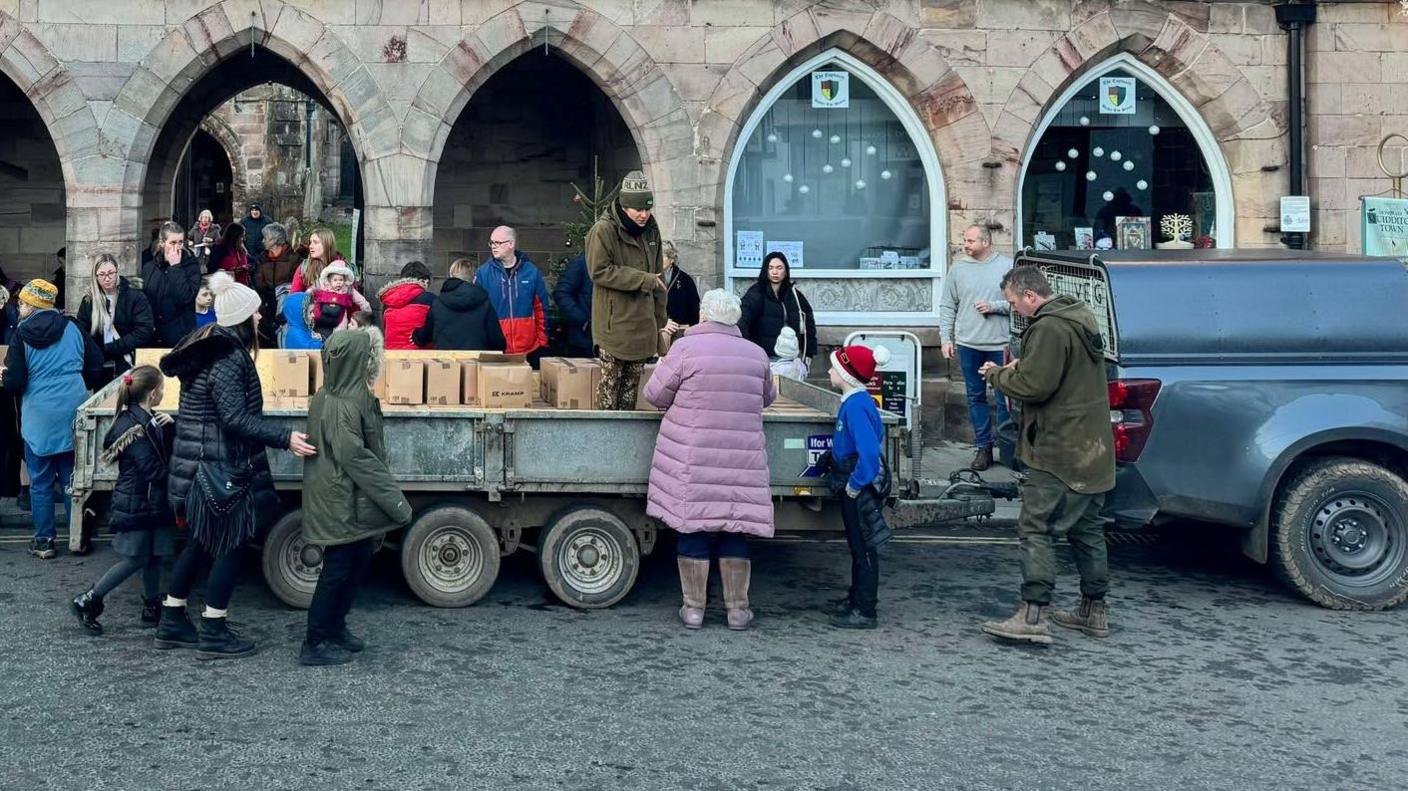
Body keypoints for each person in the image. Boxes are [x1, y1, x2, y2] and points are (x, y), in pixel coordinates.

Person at [155, 271, 317, 660]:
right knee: (230, 545)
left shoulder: (210, 348)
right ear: (242, 319)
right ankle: (213, 627)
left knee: (199, 543)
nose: (261, 319)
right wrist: (285, 437)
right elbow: (233, 419)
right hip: (219, 468)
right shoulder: (228, 358)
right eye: (256, 314)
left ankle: (172, 620)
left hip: (199, 465)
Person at [979, 266, 1116, 645]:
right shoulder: (1079, 317)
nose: (1015, 311)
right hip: (1092, 448)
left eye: (1013, 303)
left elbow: (1034, 387)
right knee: (1087, 530)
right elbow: (1062, 373)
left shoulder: (1049, 327)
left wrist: (996, 375)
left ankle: (1033, 614)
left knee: (1035, 528)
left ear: (1029, 296)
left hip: (1059, 450)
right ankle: (1094, 611)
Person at [644, 289, 775, 631]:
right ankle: (737, 611)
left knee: (693, 526)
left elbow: (655, 395)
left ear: (703, 315)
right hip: (740, 459)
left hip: (693, 457)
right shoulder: (756, 354)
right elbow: (767, 397)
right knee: (735, 528)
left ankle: (693, 610)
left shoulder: (684, 349)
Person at [299, 326, 412, 665]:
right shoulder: (343, 404)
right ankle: (315, 642)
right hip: (340, 498)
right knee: (337, 567)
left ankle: (335, 628)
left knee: (358, 558)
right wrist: (395, 501)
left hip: (346, 495)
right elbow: (356, 458)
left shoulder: (343, 394)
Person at [68, 366, 175, 635]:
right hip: (138, 500)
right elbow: (154, 470)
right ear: (152, 394)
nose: (163, 393)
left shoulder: (144, 420)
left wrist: (171, 428)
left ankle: (152, 607)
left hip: (148, 500)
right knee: (136, 557)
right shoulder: (134, 428)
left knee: (153, 556)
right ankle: (88, 599)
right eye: (161, 389)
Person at [1, 279, 103, 559]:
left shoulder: (21, 334)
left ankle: (45, 541)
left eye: (22, 303)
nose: (19, 307)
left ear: (34, 305)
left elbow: (15, 380)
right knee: (73, 480)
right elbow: (95, 365)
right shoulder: (73, 327)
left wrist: (6, 376)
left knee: (41, 481)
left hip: (39, 415)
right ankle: (77, 538)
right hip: (73, 410)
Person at [587, 170, 667, 409]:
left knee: (630, 395)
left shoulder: (652, 231)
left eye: (648, 209)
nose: (644, 215)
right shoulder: (603, 231)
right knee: (609, 396)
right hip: (613, 328)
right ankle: (606, 443)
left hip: (643, 328)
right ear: (624, 206)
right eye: (638, 210)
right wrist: (643, 279)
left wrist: (660, 325)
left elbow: (659, 283)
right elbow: (599, 271)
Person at [825, 343, 891, 629]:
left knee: (863, 547)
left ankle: (865, 610)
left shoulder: (856, 406)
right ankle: (856, 599)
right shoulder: (856, 402)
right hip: (853, 480)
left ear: (847, 375)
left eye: (834, 367)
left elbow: (869, 453)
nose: (829, 370)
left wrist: (854, 485)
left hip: (857, 485)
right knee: (857, 545)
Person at [939, 223, 1014, 471]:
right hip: (968, 343)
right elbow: (948, 305)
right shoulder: (958, 270)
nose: (965, 245)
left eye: (971, 241)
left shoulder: (1006, 267)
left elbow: (1018, 303)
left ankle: (1008, 448)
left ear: (986, 242)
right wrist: (945, 338)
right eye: (965, 240)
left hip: (999, 344)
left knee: (1006, 399)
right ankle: (983, 448)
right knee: (975, 396)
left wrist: (995, 306)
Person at [76, 253, 156, 386]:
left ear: (117, 272)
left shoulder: (134, 297)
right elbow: (82, 331)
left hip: (128, 359)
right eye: (102, 275)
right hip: (101, 364)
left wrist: (115, 347)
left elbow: (144, 329)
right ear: (95, 276)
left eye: (111, 273)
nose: (107, 279)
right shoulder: (88, 301)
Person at [474, 226, 549, 361]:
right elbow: (477, 311)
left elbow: (541, 309)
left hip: (529, 349)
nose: (493, 247)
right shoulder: (482, 274)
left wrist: (542, 342)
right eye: (492, 243)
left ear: (511, 244)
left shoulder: (531, 272)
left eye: (498, 243)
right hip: (495, 348)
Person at [739, 252, 817, 373]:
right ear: (765, 270)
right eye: (771, 268)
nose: (775, 272)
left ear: (786, 271)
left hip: (789, 357)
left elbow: (808, 324)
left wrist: (809, 352)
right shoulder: (756, 293)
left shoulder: (794, 295)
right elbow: (743, 321)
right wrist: (747, 351)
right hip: (764, 357)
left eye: (779, 268)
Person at [412, 259, 505, 351]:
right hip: (476, 362)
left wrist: (415, 336)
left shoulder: (438, 303)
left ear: (451, 276)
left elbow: (425, 336)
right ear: (474, 279)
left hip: (447, 363)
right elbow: (497, 342)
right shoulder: (484, 302)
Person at [142, 221, 203, 347]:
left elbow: (185, 297)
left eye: (180, 242)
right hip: (155, 334)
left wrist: (175, 267)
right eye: (173, 243)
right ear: (163, 243)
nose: (177, 247)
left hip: (180, 335)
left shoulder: (191, 266)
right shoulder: (150, 266)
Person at [255, 222, 298, 345]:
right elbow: (258, 284)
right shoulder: (261, 259)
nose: (263, 241)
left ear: (274, 240)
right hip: (266, 306)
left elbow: (297, 286)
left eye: (265, 238)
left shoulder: (293, 259)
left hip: (285, 306)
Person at [305, 261, 371, 340]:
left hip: (340, 315)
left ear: (345, 280)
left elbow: (361, 300)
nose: (338, 282)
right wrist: (305, 298)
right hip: (321, 314)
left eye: (341, 280)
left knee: (340, 331)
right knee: (316, 326)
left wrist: (367, 310)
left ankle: (338, 341)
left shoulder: (348, 289)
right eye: (335, 280)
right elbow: (310, 290)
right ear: (329, 280)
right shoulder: (323, 286)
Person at [378, 261, 435, 351]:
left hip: (392, 356)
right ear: (425, 281)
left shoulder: (388, 300)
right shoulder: (430, 299)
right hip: (421, 359)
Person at [657, 241, 701, 355]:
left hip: (679, 332)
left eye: (662, 256)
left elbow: (694, 309)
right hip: (655, 331)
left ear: (672, 259)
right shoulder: (649, 278)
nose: (658, 260)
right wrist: (663, 322)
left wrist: (691, 330)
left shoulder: (686, 280)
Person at [552, 252, 593, 358]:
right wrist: (584, 320)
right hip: (584, 339)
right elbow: (561, 293)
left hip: (613, 339)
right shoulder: (582, 262)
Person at [289, 228, 351, 294]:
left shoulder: (344, 268)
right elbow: (294, 295)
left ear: (327, 244)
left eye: (315, 242)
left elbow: (353, 296)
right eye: (310, 242)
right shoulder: (305, 267)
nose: (310, 246)